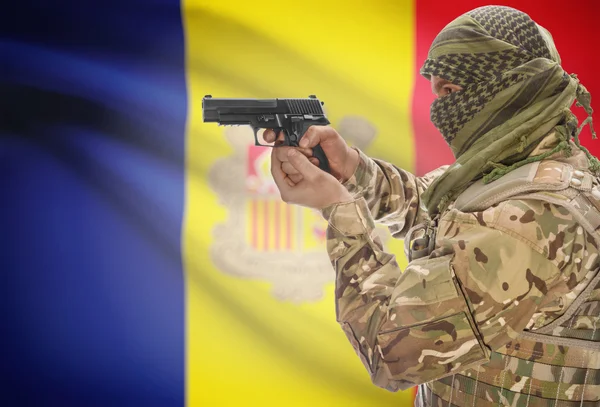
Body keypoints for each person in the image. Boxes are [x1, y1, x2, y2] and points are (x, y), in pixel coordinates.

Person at [266, 5, 599, 407]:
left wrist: (339, 209)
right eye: (436, 92)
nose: (440, 109)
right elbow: (433, 210)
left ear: (509, 85)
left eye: (451, 92)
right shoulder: (517, 170)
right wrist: (351, 168)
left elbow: (392, 354)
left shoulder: (533, 219)